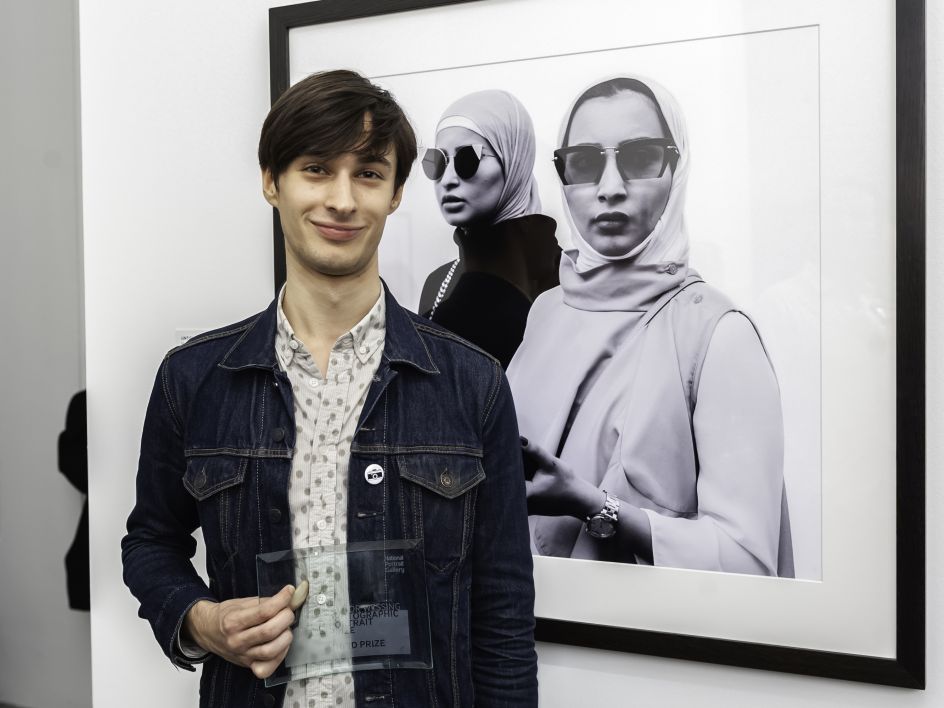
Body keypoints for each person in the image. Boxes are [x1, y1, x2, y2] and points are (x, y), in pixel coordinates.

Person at [121, 69, 537, 708]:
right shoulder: (195, 378)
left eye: (368, 174)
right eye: (316, 169)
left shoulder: (471, 383)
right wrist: (200, 621)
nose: (342, 200)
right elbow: (151, 543)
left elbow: (503, 615)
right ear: (271, 182)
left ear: (395, 194)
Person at [507, 76, 793, 577]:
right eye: (585, 163)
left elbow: (748, 564)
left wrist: (594, 506)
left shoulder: (718, 334)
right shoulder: (547, 313)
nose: (610, 188)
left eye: (640, 159)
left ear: (676, 168)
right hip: (518, 637)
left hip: (633, 647)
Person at [416, 90, 559, 368]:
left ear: (513, 160)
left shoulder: (564, 278)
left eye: (467, 159)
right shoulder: (440, 281)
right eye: (437, 162)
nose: (448, 180)